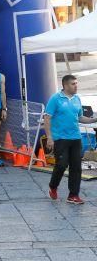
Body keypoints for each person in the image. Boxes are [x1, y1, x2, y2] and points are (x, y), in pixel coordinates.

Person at [45, 74, 97, 204]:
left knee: (76, 167)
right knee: (61, 165)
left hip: (75, 138)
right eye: (73, 84)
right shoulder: (55, 98)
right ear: (65, 85)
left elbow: (80, 117)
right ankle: (53, 186)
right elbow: (47, 118)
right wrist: (49, 137)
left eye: (76, 83)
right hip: (60, 138)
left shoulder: (77, 99)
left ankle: (73, 195)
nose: (76, 86)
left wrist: (94, 119)